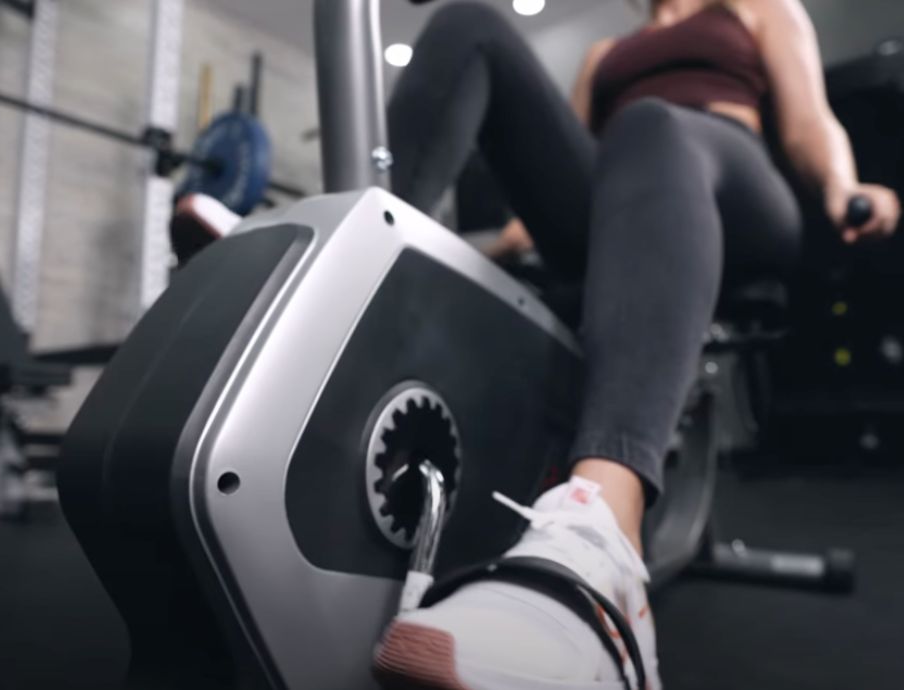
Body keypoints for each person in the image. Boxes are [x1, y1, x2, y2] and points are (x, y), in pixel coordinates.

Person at [373, 1, 902, 688]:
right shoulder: (606, 55)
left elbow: (808, 121)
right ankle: (354, 255)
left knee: (650, 121)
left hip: (739, 184)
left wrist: (842, 182)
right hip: (632, 186)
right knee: (471, 23)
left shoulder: (756, 8)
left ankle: (603, 541)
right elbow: (568, 166)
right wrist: (486, 248)